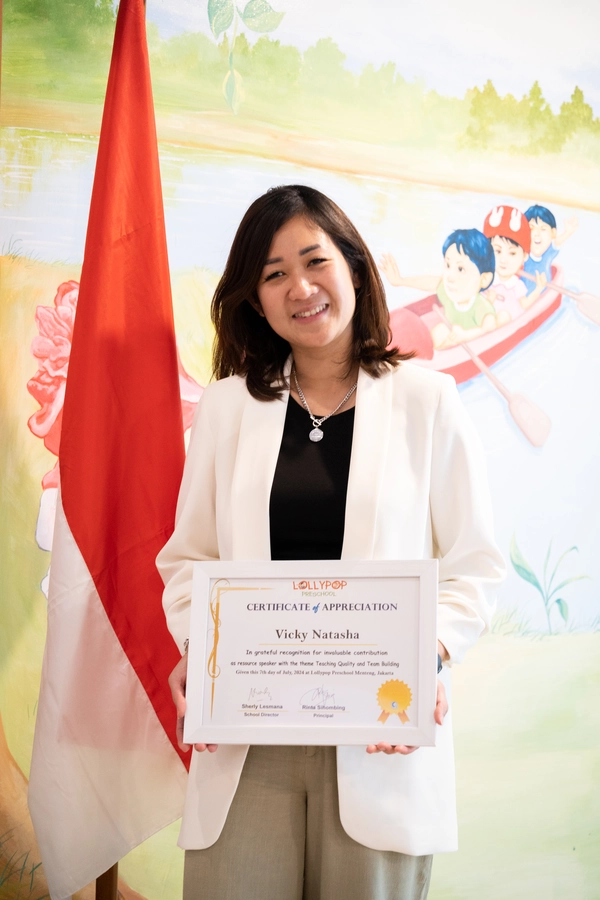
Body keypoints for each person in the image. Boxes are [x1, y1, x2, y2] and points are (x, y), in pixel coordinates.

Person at [157, 185, 505, 900]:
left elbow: (475, 566)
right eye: (274, 273)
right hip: (249, 737)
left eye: (315, 261)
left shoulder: (427, 400)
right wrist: (201, 646)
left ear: (354, 267)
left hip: (381, 734)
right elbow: (190, 559)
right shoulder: (227, 408)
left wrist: (428, 653)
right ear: (255, 298)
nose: (300, 287)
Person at [380, 229, 499, 349]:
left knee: (443, 331)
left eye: (460, 269)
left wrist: (465, 335)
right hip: (452, 337)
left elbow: (489, 327)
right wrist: (400, 281)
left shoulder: (480, 306)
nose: (450, 277)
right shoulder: (449, 293)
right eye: (448, 265)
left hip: (471, 343)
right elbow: (433, 282)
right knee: (439, 331)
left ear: (484, 279)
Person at [483, 205, 546, 319]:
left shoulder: (516, 285)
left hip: (511, 321)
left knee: (502, 317)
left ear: (525, 256)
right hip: (489, 322)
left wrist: (538, 289)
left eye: (512, 253)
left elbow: (525, 304)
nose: (503, 260)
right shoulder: (487, 279)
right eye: (497, 251)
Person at [521, 204, 578, 294]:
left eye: (543, 229)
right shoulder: (523, 254)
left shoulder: (548, 254)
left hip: (544, 294)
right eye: (531, 228)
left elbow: (557, 242)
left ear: (553, 233)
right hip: (524, 296)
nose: (537, 233)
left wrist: (567, 232)